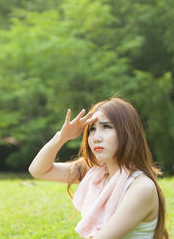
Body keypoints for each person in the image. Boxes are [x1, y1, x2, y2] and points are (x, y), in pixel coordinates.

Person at [29, 97, 169, 239]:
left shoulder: (141, 187)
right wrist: (61, 137)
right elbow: (38, 170)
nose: (96, 137)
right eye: (92, 129)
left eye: (106, 127)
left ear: (127, 132)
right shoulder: (95, 172)